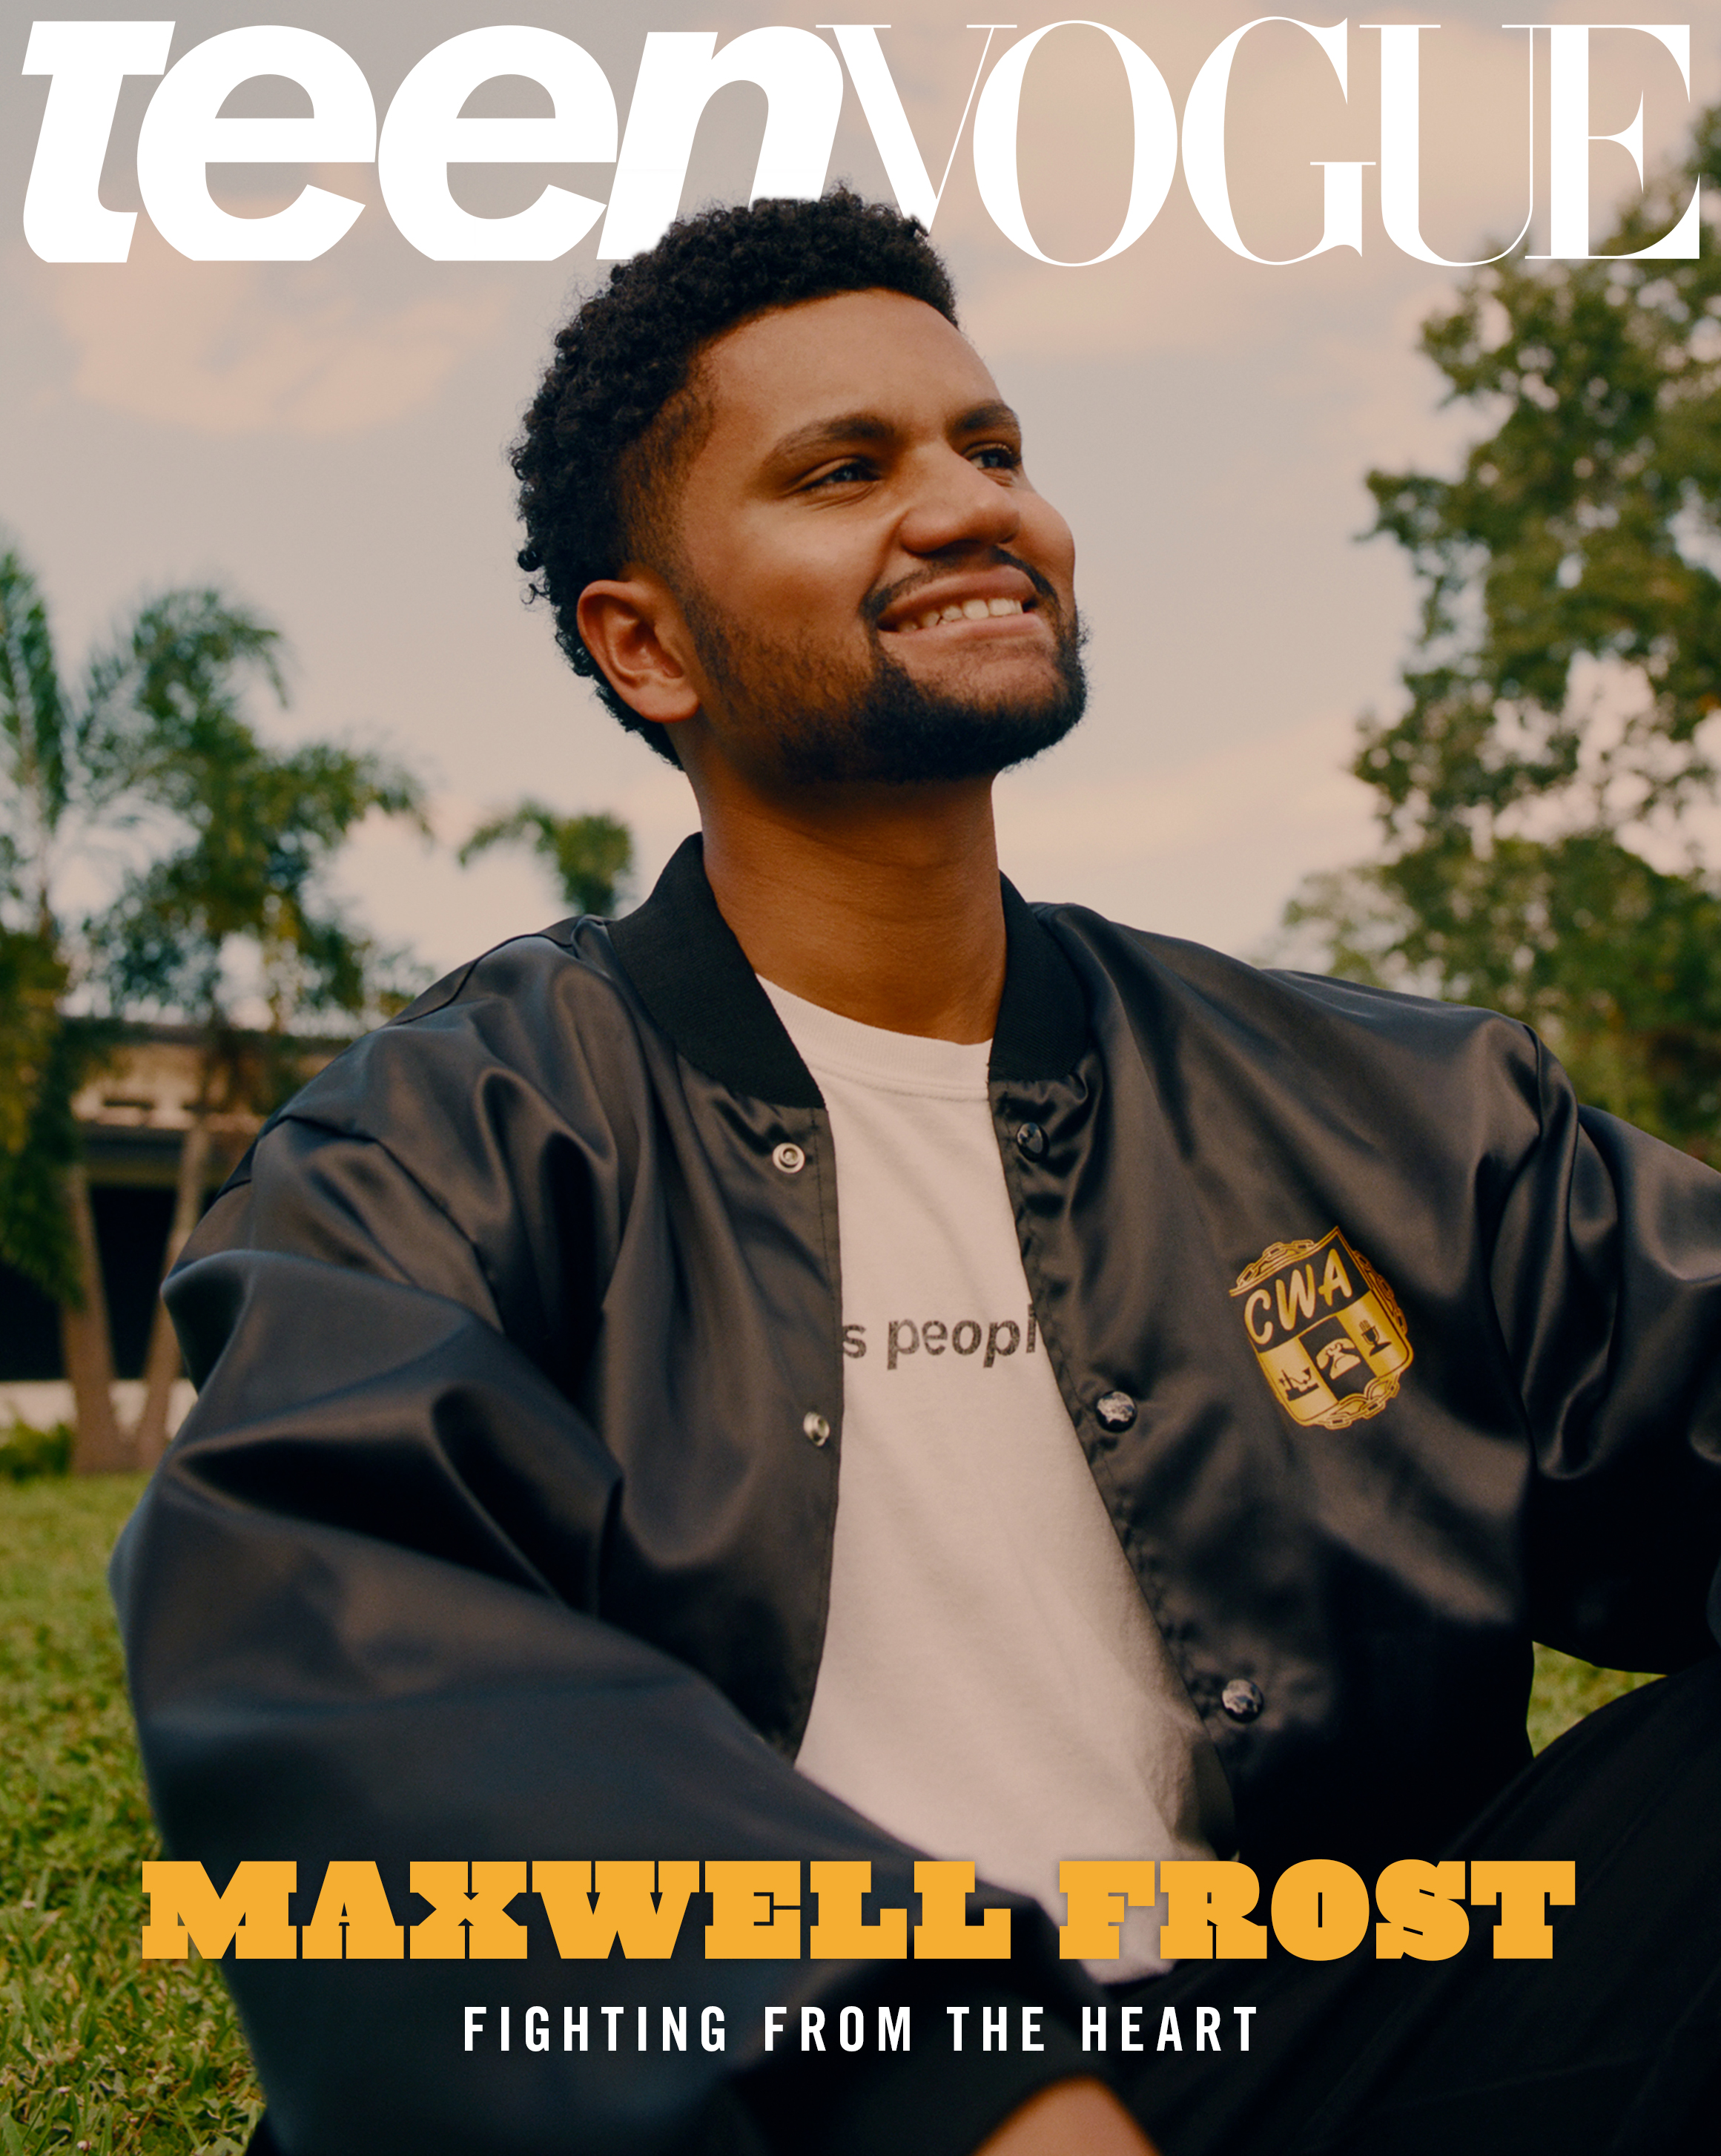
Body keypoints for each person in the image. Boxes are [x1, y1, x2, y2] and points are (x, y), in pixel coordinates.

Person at [113, 191, 1721, 2156]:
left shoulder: (1396, 1109)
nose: (973, 506)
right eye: (843, 468)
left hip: (1301, 2058)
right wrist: (958, 2082)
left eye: (994, 448)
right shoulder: (446, 1138)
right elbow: (330, 1634)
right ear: (645, 643)